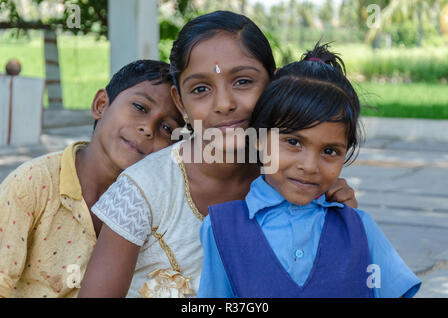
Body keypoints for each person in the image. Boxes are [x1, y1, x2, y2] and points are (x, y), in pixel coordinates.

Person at [78, 11, 359, 298]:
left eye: (243, 82)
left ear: (273, 86)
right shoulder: (143, 192)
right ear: (181, 102)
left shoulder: (295, 179)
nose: (224, 104)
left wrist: (341, 224)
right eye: (201, 89)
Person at [196, 42, 422, 298]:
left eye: (330, 151)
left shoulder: (358, 228)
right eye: (293, 142)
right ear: (258, 139)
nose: (310, 166)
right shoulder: (221, 228)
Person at [0, 60, 183, 298]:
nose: (148, 129)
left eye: (167, 128)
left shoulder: (158, 205)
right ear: (101, 105)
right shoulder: (31, 185)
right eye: (140, 107)